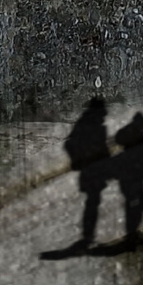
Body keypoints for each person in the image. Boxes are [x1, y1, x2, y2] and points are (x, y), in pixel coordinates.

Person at [57, 96, 112, 255]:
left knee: (93, 202)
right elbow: (69, 144)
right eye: (102, 110)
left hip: (94, 168)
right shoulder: (89, 124)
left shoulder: (92, 123)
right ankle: (87, 237)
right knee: (92, 202)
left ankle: (88, 237)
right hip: (90, 169)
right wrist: (80, 159)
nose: (105, 113)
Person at [104, 111, 143, 250]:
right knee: (136, 204)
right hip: (131, 177)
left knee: (137, 204)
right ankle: (131, 236)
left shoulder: (136, 137)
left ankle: (131, 236)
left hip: (132, 176)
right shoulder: (137, 137)